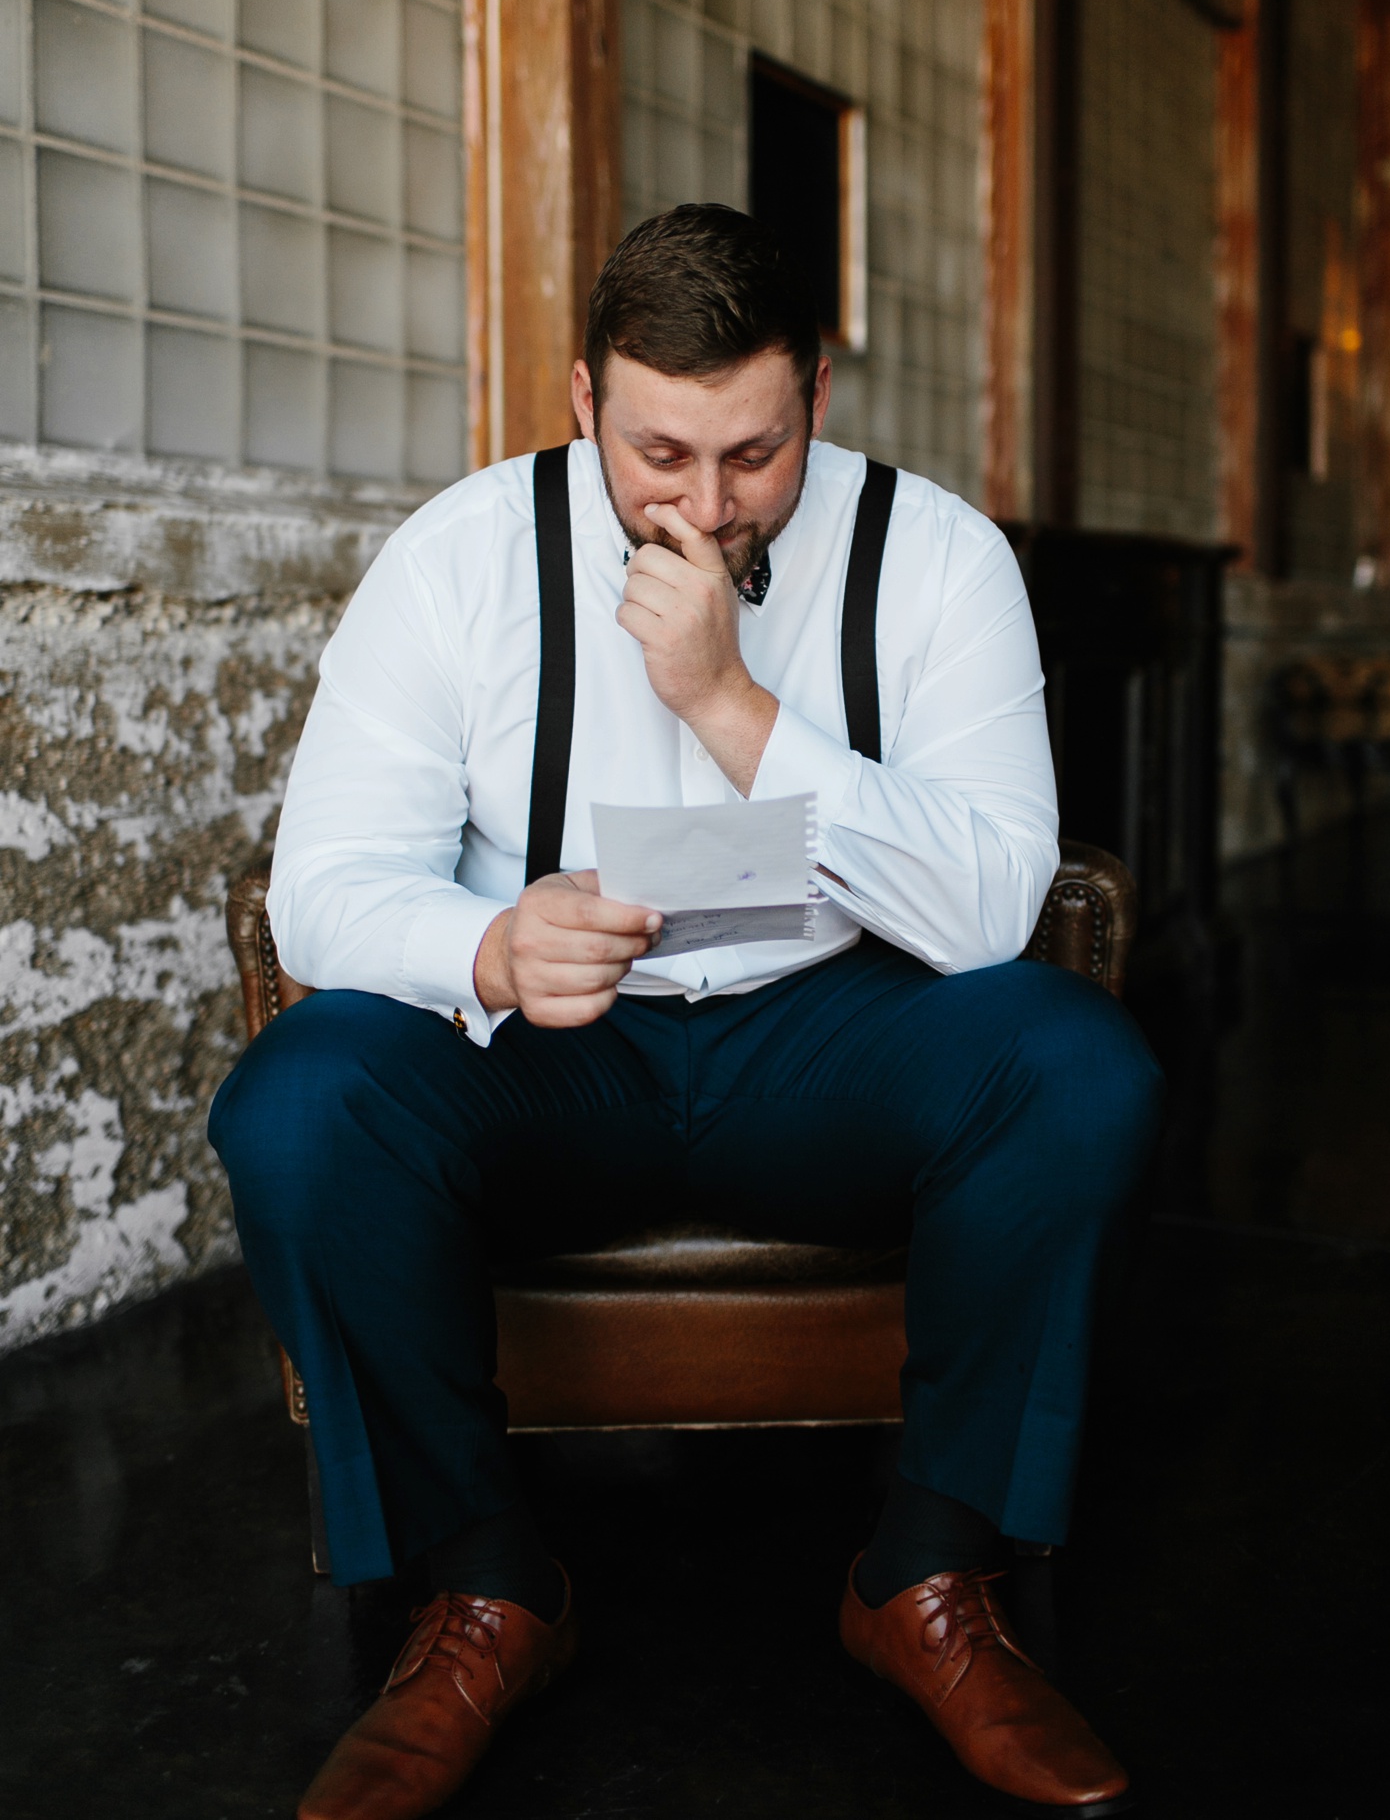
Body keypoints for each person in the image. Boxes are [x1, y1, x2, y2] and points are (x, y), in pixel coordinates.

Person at [210, 204, 1161, 1819]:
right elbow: (325, 887)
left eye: (754, 454)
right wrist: (490, 945)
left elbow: (995, 904)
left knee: (1079, 1066)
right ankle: (484, 1585)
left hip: (832, 1042)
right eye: (658, 453)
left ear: (819, 395)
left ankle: (928, 1572)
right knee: (299, 1098)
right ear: (584, 397)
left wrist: (732, 702)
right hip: (555, 1061)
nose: (706, 507)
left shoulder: (940, 559)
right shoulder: (456, 558)